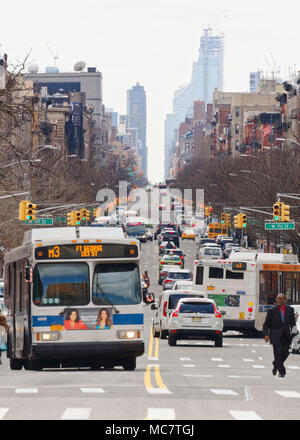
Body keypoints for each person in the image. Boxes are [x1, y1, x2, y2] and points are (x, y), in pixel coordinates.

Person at [263, 293, 296, 378]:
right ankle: (282, 372)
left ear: (284, 300)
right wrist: (266, 334)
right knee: (277, 354)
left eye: (281, 299)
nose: (279, 300)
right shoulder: (272, 310)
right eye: (278, 299)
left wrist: (294, 334)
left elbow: (293, 324)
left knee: (285, 353)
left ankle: (276, 363)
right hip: (275, 335)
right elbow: (266, 324)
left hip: (286, 336)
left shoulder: (290, 310)